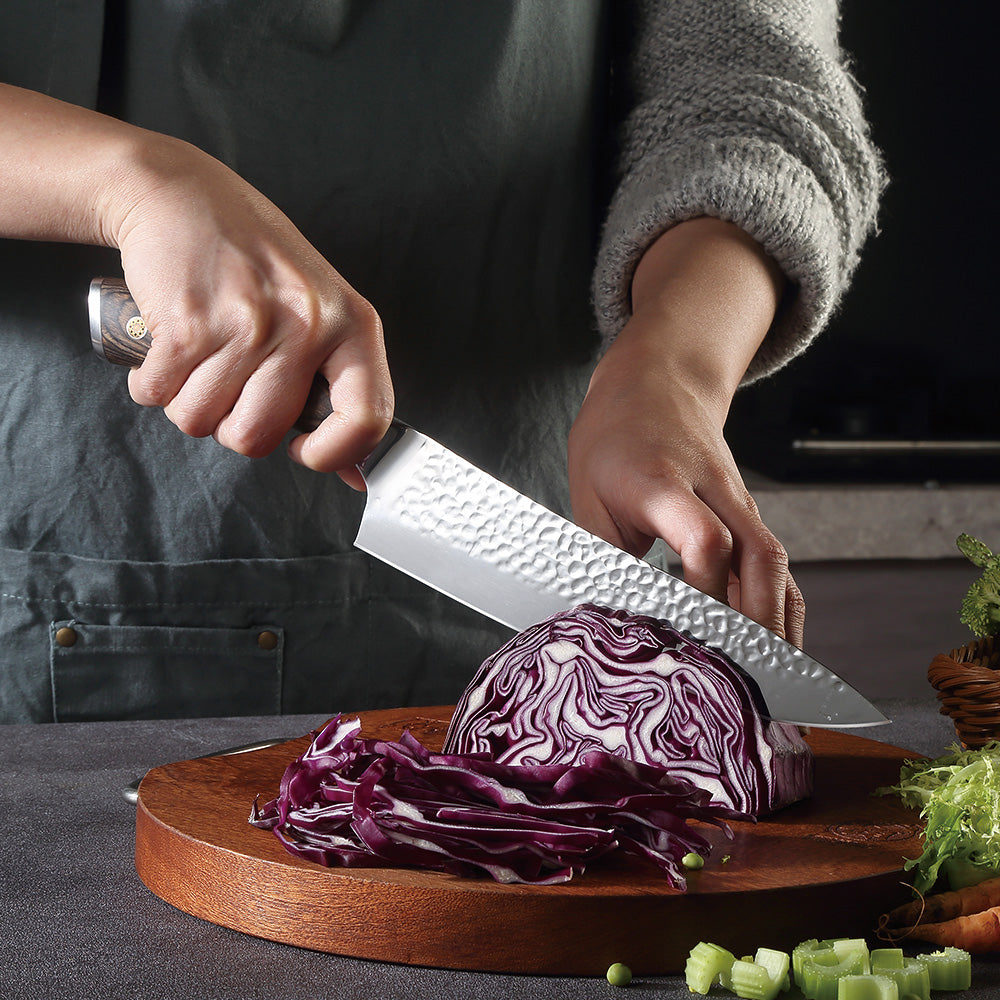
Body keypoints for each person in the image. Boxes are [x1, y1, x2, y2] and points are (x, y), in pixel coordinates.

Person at [0, 1, 883, 724]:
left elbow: (752, 102)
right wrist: (130, 181)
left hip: (537, 602)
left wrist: (672, 371)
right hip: (60, 573)